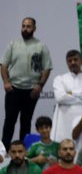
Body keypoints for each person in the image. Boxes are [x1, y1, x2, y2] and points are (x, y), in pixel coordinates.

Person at [1, 18, 52, 148]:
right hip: (13, 89)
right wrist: (6, 82)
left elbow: (46, 68)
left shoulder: (40, 46)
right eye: (23, 26)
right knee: (9, 121)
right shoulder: (13, 44)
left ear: (34, 29)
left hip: (31, 91)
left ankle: (23, 150)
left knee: (26, 121)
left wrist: (40, 86)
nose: (25, 29)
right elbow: (3, 64)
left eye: (28, 26)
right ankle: (3, 151)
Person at [50, 50, 82, 143]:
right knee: (66, 150)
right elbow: (60, 98)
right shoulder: (59, 79)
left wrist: (70, 93)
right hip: (64, 122)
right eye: (70, 61)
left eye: (75, 60)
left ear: (81, 61)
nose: (73, 63)